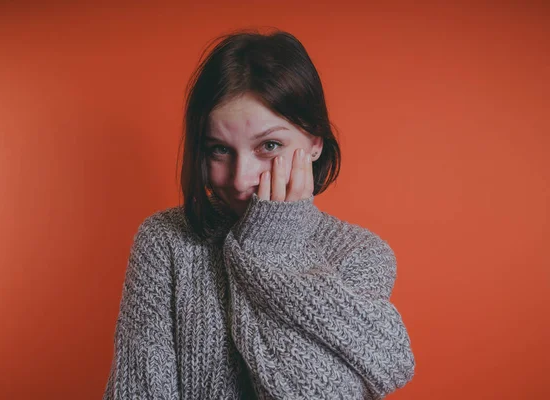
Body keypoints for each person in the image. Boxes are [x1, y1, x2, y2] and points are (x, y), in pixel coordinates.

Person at [103, 29, 415, 400]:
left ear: (315, 143)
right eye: (219, 149)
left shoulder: (361, 254)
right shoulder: (166, 241)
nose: (240, 179)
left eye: (269, 145)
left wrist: (271, 250)